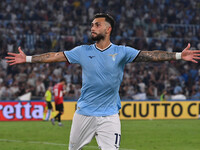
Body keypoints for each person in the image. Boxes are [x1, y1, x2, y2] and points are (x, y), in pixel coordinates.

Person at [5, 13, 200, 149]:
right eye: (92, 24)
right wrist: (28, 58)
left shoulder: (122, 51)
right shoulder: (82, 51)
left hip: (109, 116)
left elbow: (150, 55)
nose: (92, 27)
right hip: (84, 114)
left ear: (108, 29)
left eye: (97, 24)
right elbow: (55, 56)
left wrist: (177, 56)